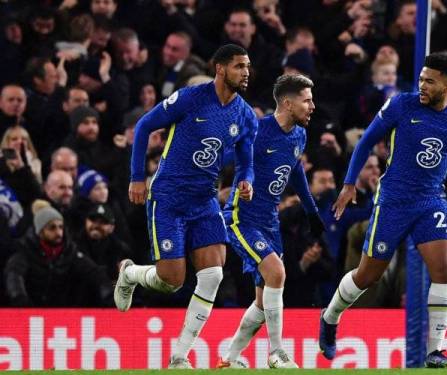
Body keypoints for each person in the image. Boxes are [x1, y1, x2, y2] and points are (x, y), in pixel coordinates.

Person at [318, 52, 447, 368]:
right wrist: (348, 184)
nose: (422, 85)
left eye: (430, 80)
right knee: (367, 275)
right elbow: (366, 141)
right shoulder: (402, 105)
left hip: (431, 202)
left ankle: (435, 350)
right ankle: (330, 316)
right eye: (421, 79)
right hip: (393, 201)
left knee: (444, 268)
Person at [113, 44, 258, 370]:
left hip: (204, 201)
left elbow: (247, 161)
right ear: (220, 69)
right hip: (169, 199)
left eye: (247, 66)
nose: (245, 72)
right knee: (172, 280)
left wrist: (246, 180)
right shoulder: (191, 98)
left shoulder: (245, 115)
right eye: (239, 66)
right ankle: (130, 273)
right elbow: (144, 126)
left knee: (213, 275)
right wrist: (137, 177)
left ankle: (179, 356)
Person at [217, 74, 324, 369]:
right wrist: (243, 180)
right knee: (277, 273)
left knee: (264, 302)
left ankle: (229, 358)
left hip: (269, 221)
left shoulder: (299, 135)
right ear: (288, 103)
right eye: (307, 100)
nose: (312, 106)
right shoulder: (257, 132)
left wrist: (312, 210)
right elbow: (229, 157)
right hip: (241, 217)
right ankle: (277, 353)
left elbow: (295, 170)